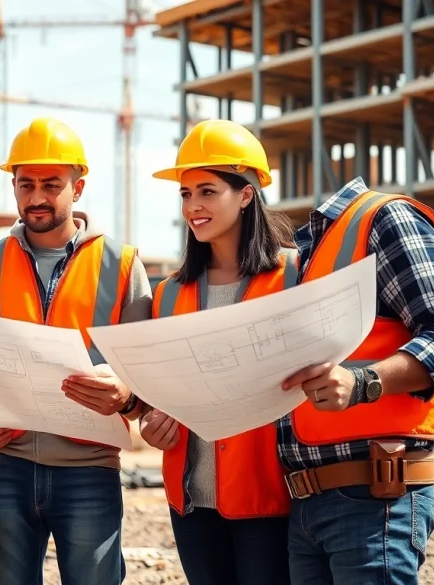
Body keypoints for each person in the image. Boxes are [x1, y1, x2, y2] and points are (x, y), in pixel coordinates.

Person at [0, 117, 151, 585]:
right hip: (6, 466)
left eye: (51, 184)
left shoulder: (121, 264)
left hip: (89, 469)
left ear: (78, 187)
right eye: (25, 184)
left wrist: (127, 395)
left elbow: (144, 378)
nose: (37, 197)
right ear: (13, 186)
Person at [275, 151, 434, 579]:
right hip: (307, 502)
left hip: (375, 497)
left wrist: (363, 382)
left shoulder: (385, 219)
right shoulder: (304, 255)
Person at [142, 119, 297, 584]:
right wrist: (151, 421)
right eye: (186, 194)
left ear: (246, 194)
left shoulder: (294, 276)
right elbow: (159, 392)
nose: (193, 206)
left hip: (271, 496)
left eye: (207, 191)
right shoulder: (170, 293)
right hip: (192, 502)